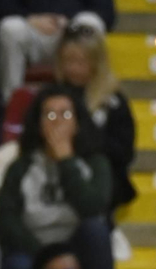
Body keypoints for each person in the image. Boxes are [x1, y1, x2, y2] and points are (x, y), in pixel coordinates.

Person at [0, 82, 113, 269]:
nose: (57, 121)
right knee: (17, 267)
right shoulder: (20, 167)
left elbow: (93, 207)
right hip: (33, 247)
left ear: (77, 123)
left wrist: (66, 161)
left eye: (65, 114)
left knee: (96, 230)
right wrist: (44, 255)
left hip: (77, 244)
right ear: (38, 124)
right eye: (49, 115)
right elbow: (8, 220)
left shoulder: (95, 163)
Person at [54, 24, 137, 214]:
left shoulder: (113, 102)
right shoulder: (53, 98)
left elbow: (124, 153)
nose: (74, 68)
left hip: (102, 180)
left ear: (97, 63)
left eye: (81, 62)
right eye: (68, 61)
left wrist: (84, 140)